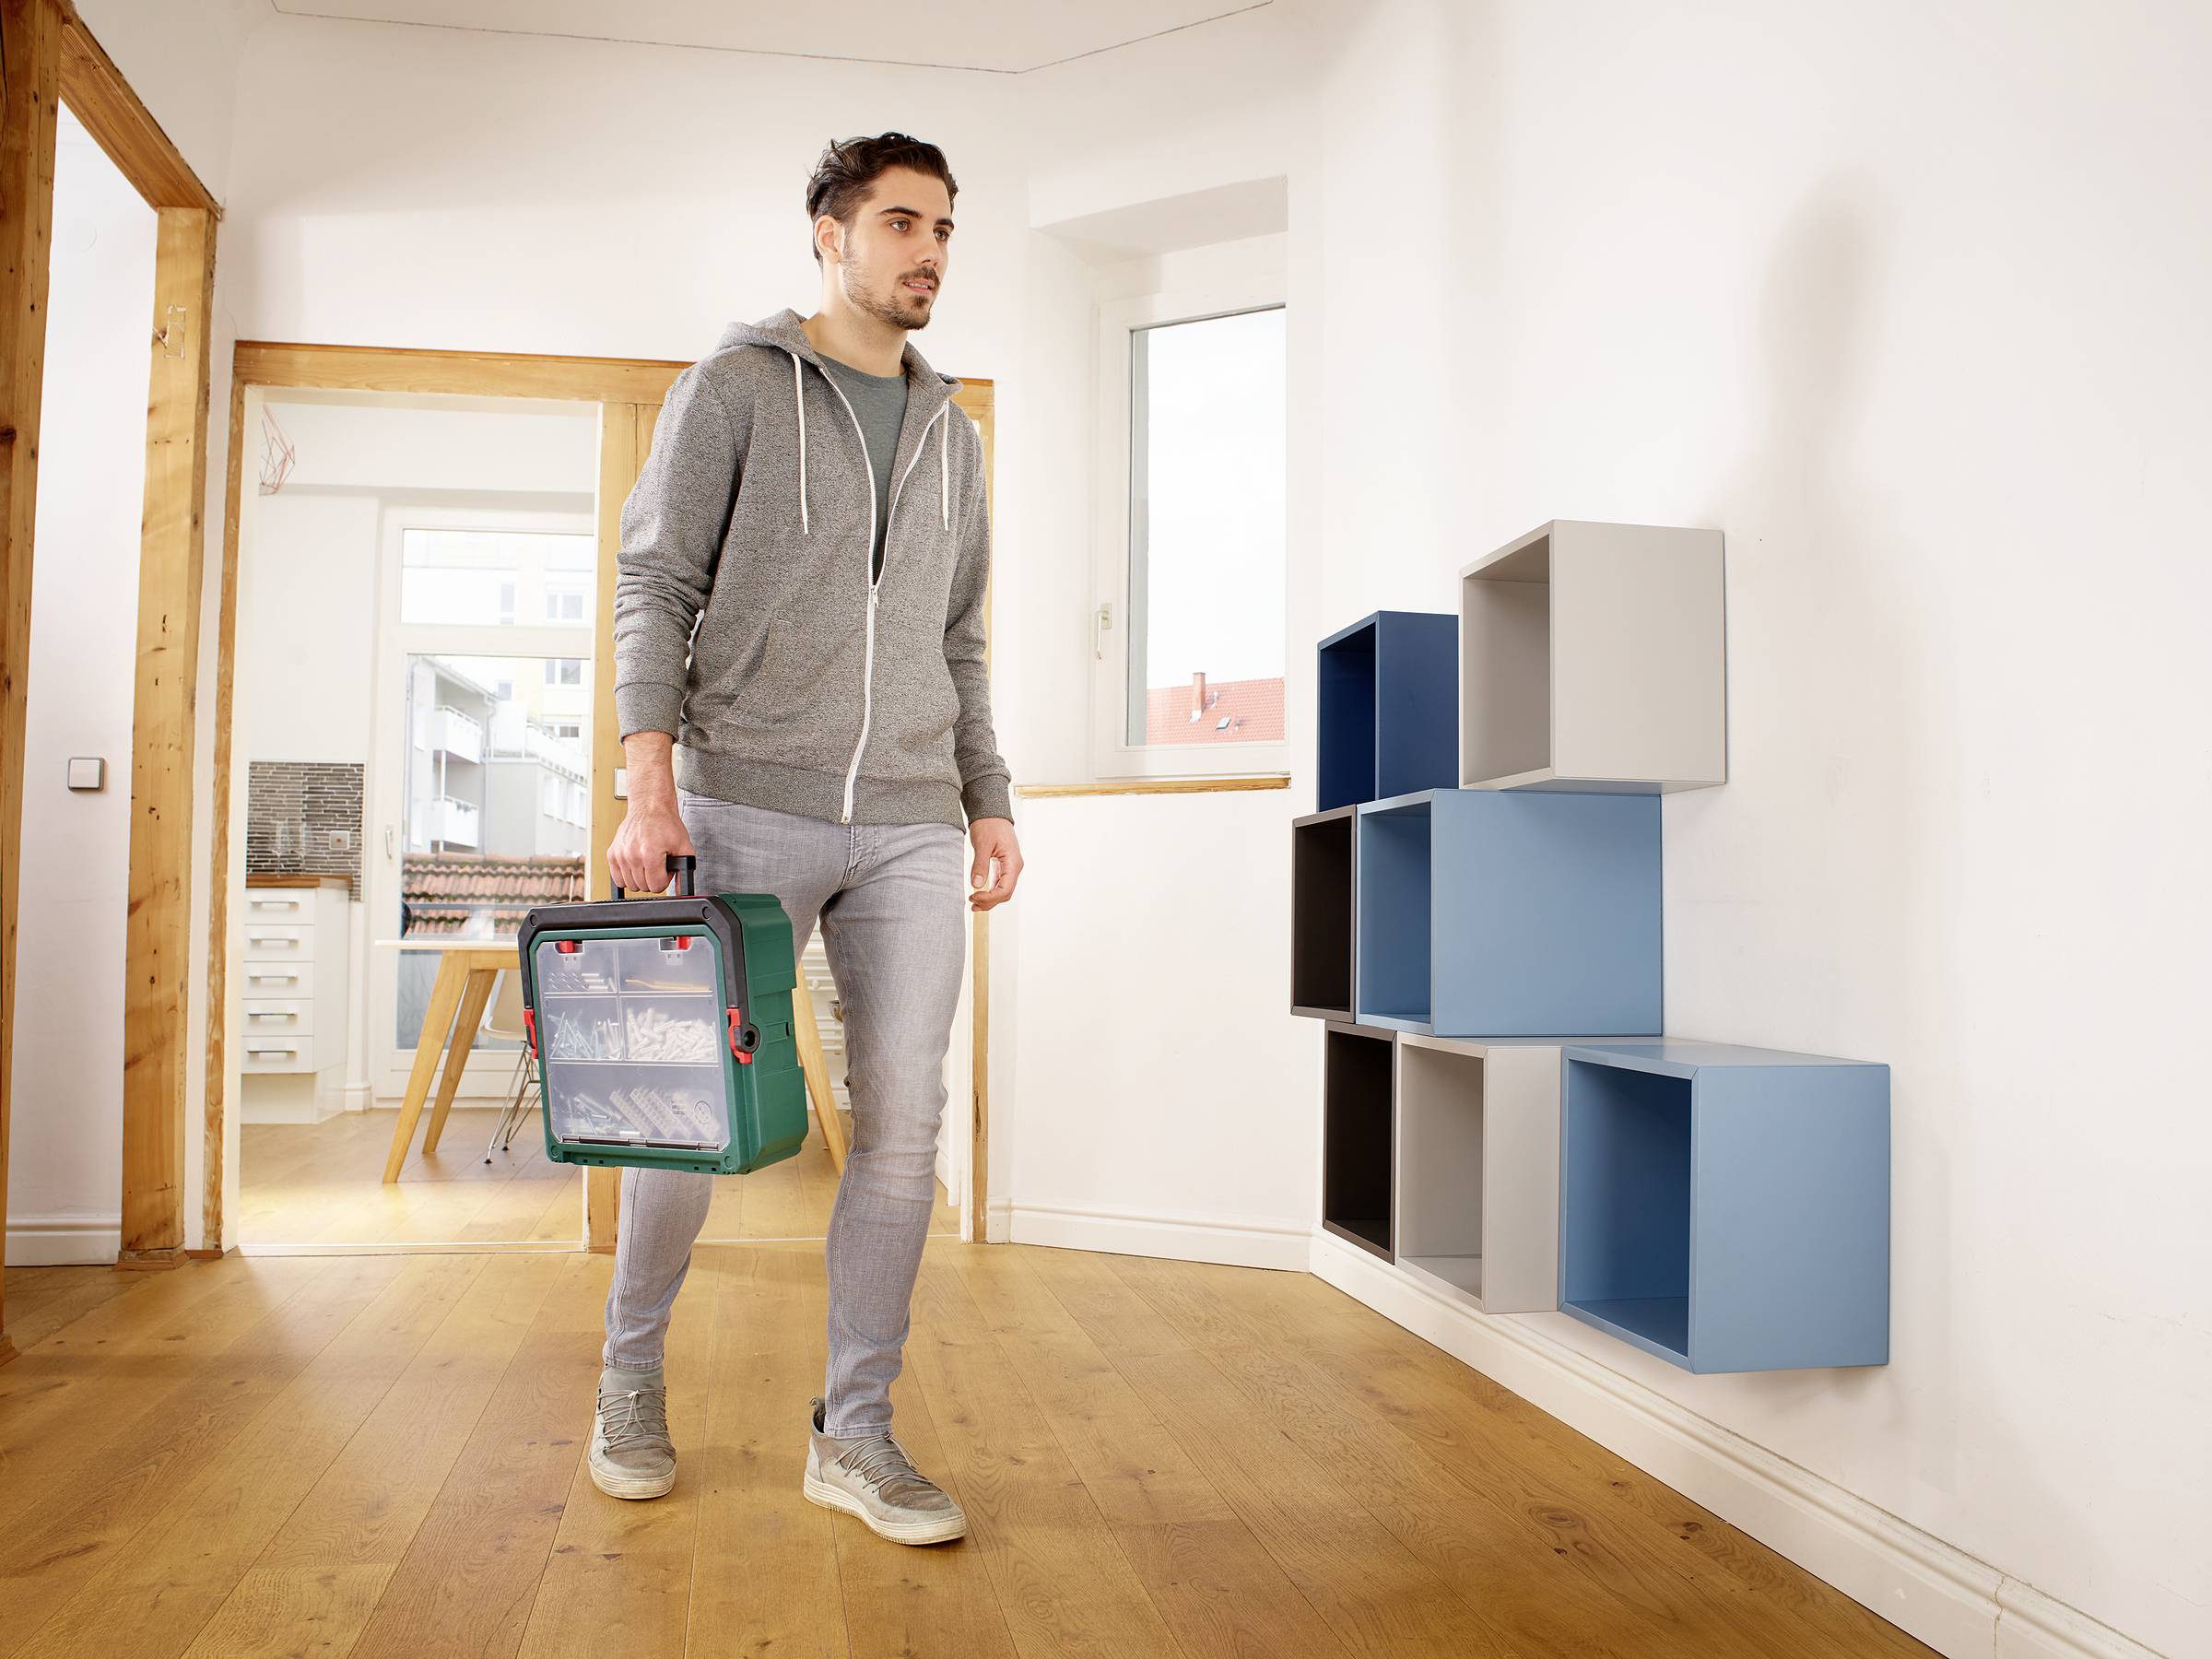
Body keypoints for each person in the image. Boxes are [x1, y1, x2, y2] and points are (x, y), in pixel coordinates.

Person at [592, 132, 1023, 1547]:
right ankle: (628, 1384)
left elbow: (958, 643)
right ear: (829, 236)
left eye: (945, 231)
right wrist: (648, 787)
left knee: (904, 1129)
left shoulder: (956, 438)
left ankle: (858, 1433)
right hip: (739, 798)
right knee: (680, 1112)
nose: (929, 254)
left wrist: (989, 796)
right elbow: (655, 581)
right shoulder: (734, 388)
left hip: (906, 823)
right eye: (902, 224)